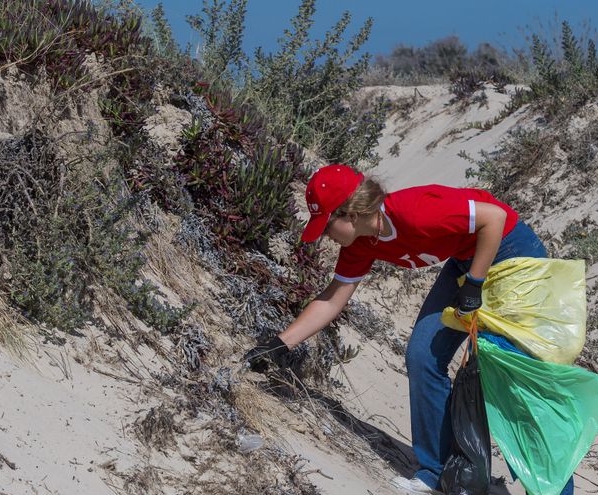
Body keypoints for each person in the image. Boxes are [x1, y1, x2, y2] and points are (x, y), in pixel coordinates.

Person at [243, 164, 573, 495]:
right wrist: (279, 344)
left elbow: (493, 218)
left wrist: (474, 283)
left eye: (327, 225)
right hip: (465, 261)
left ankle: (555, 490)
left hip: (513, 255)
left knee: (508, 378)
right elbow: (332, 299)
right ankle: (439, 473)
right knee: (423, 355)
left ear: (351, 213)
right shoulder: (361, 244)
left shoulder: (415, 211)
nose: (325, 234)